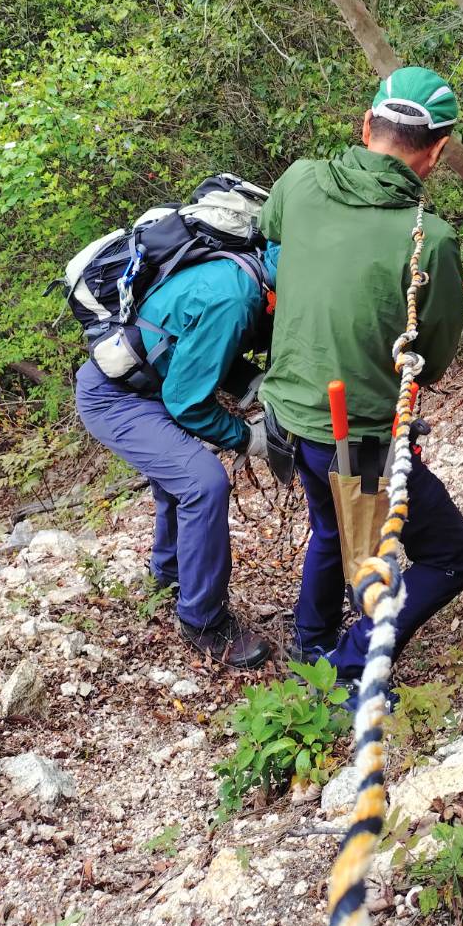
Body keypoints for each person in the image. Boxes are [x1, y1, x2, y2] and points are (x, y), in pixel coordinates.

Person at [259, 66, 463, 683]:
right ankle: (350, 664)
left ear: (366, 125)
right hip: (357, 439)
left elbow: (271, 229)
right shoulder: (426, 240)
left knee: (332, 526)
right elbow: (429, 361)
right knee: (450, 556)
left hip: (287, 420)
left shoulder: (301, 181)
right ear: (436, 152)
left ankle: (308, 649)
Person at [74, 241, 278, 669]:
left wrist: (255, 383)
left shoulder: (242, 270)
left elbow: (187, 340)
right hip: (115, 399)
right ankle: (203, 621)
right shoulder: (238, 295)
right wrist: (247, 438)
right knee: (203, 482)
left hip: (143, 384)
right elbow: (187, 400)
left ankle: (167, 576)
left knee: (177, 480)